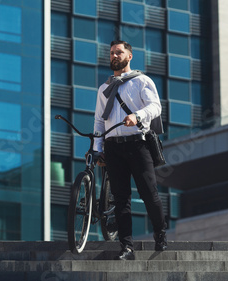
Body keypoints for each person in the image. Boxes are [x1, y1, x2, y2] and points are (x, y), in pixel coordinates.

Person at [92, 40, 167, 261]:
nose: (114, 56)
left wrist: (137, 116)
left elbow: (156, 107)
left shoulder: (142, 81)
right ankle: (127, 246)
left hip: (138, 144)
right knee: (120, 198)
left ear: (129, 56)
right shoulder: (104, 88)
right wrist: (97, 149)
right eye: (112, 53)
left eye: (119, 52)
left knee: (148, 194)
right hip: (113, 148)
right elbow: (98, 121)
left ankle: (160, 234)